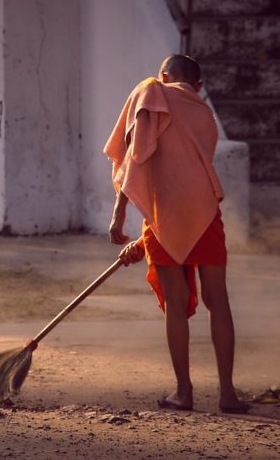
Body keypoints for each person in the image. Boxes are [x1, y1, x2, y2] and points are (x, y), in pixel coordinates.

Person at [104, 54, 249, 414]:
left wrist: (120, 212)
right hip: (204, 210)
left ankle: (183, 393)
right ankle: (227, 394)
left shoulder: (150, 92)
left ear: (164, 75)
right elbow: (188, 168)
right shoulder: (203, 113)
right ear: (197, 87)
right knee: (219, 300)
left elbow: (137, 156)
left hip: (164, 211)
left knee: (175, 302)